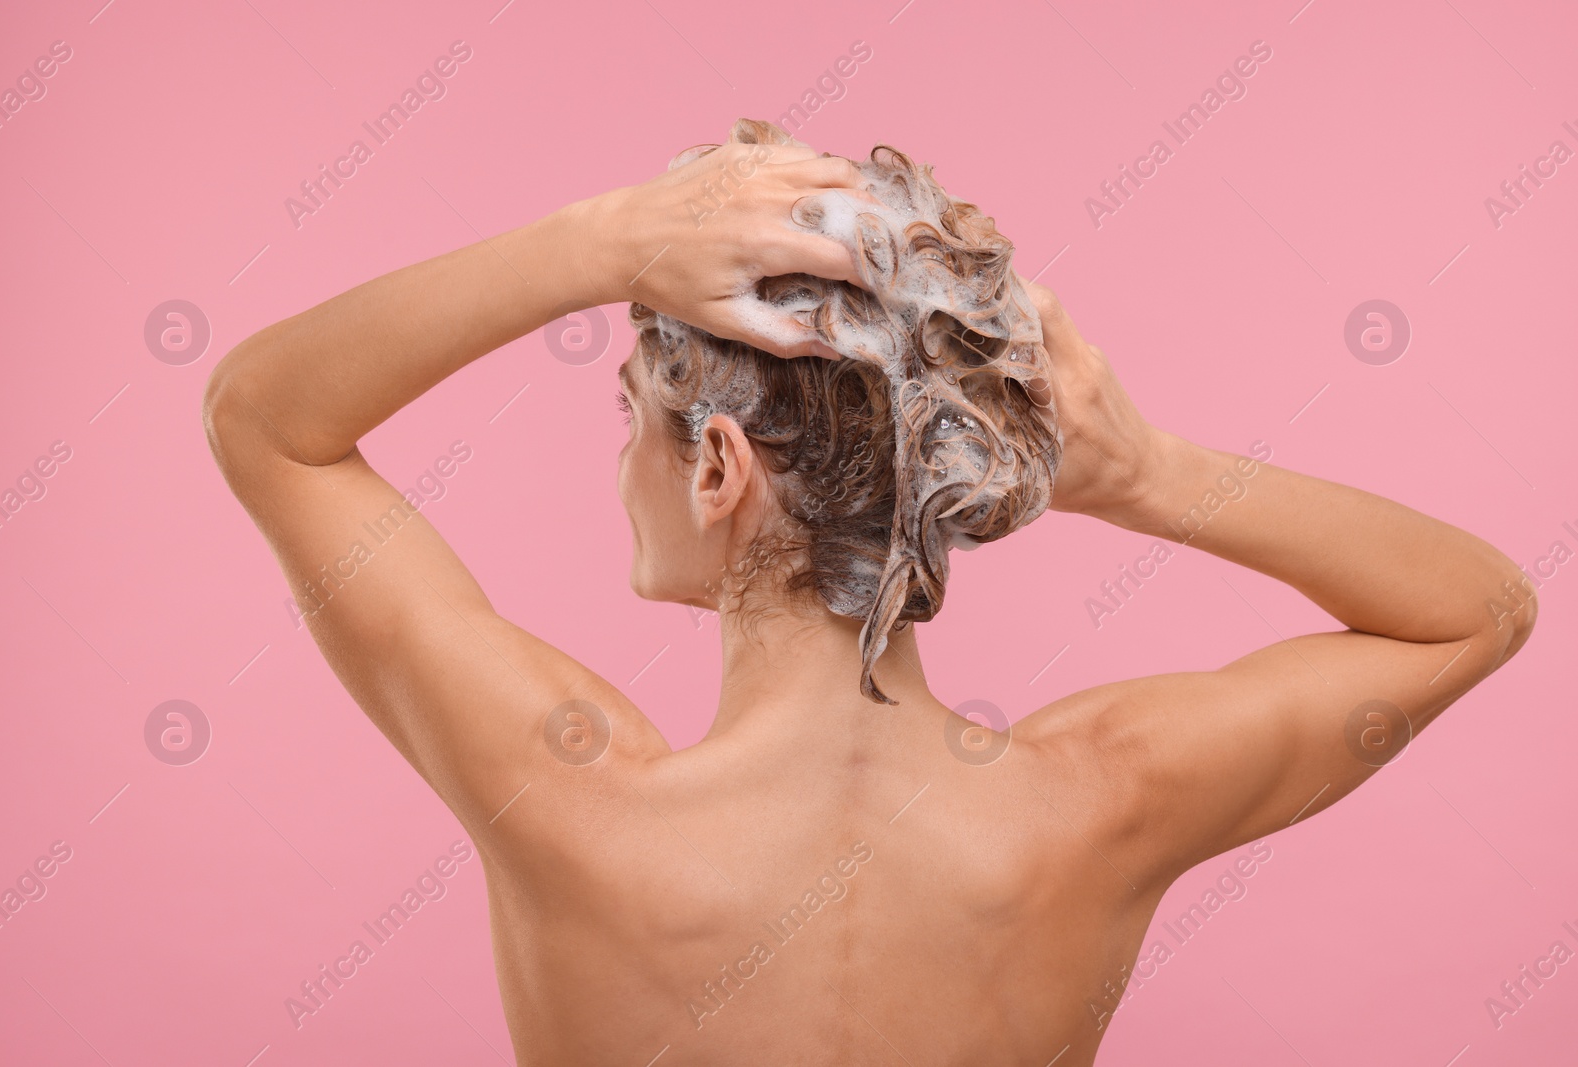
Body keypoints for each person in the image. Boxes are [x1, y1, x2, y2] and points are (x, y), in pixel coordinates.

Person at [203, 122, 1537, 1066]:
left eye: (632, 419)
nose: (621, 467)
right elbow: (1476, 609)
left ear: (719, 464)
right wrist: (1144, 472)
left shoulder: (567, 797)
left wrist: (602, 245)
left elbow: (267, 421)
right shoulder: (1106, 796)